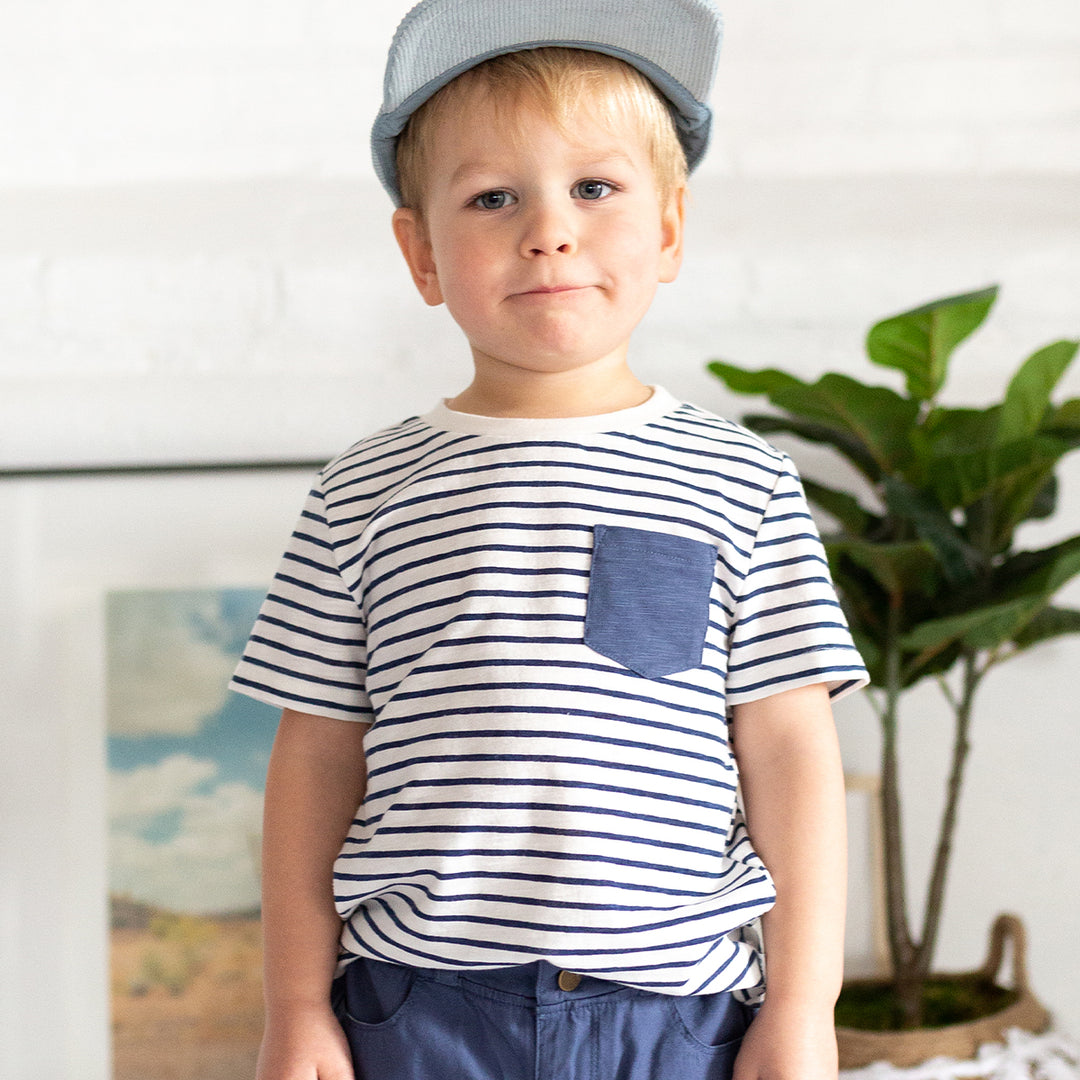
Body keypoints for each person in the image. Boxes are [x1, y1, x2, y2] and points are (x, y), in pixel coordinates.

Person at [230, 2, 869, 1078]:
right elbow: (314, 762)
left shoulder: (740, 482)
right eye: (492, 197)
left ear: (669, 228)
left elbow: (791, 754)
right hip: (419, 1009)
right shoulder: (362, 493)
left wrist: (803, 1008)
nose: (549, 230)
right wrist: (295, 1007)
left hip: (673, 1013)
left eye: (595, 188)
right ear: (421, 251)